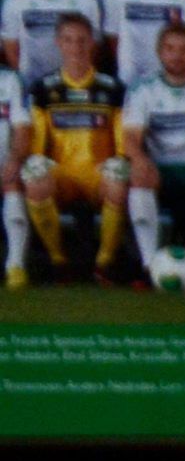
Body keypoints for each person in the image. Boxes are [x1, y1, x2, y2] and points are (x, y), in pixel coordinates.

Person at [10, 15, 115, 286]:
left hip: (97, 173)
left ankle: (104, 264)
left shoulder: (111, 87)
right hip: (61, 175)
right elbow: (36, 146)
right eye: (68, 40)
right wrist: (36, 166)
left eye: (82, 40)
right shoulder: (44, 88)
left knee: (119, 181)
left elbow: (122, 142)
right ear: (58, 43)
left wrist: (121, 164)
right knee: (35, 180)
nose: (76, 47)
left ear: (92, 43)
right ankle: (59, 261)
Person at [123, 19, 185, 289]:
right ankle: (147, 266)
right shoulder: (143, 89)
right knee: (139, 178)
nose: (177, 55)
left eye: (183, 49)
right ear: (159, 52)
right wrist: (140, 160)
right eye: (170, 49)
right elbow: (130, 137)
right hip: (159, 167)